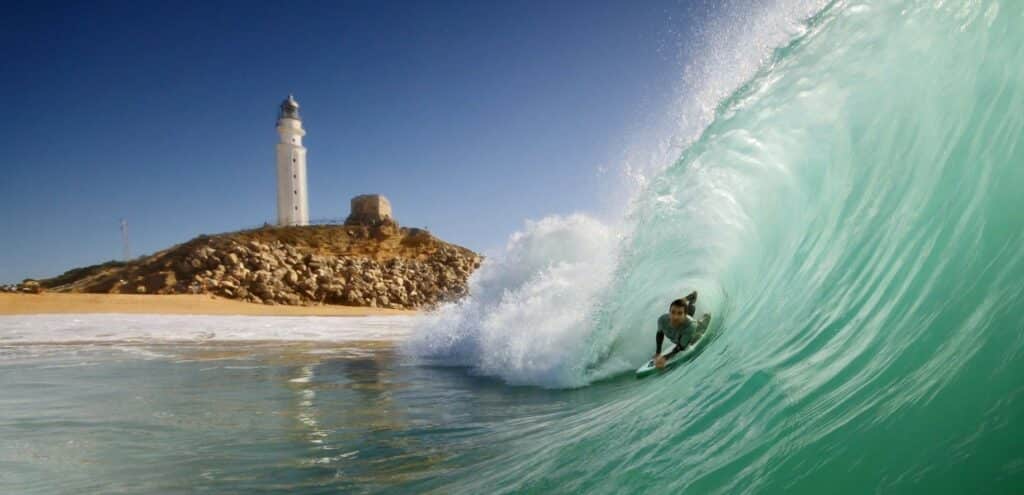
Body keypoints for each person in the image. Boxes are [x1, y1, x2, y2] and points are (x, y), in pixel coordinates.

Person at [653, 293, 699, 370]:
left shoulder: (690, 325)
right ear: (669, 312)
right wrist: (658, 352)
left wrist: (665, 357)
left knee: (691, 310)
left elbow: (681, 346)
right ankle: (686, 298)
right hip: (681, 326)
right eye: (672, 312)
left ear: (685, 315)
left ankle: (692, 299)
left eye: (680, 313)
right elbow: (660, 334)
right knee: (679, 307)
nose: (675, 317)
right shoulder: (662, 320)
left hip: (686, 325)